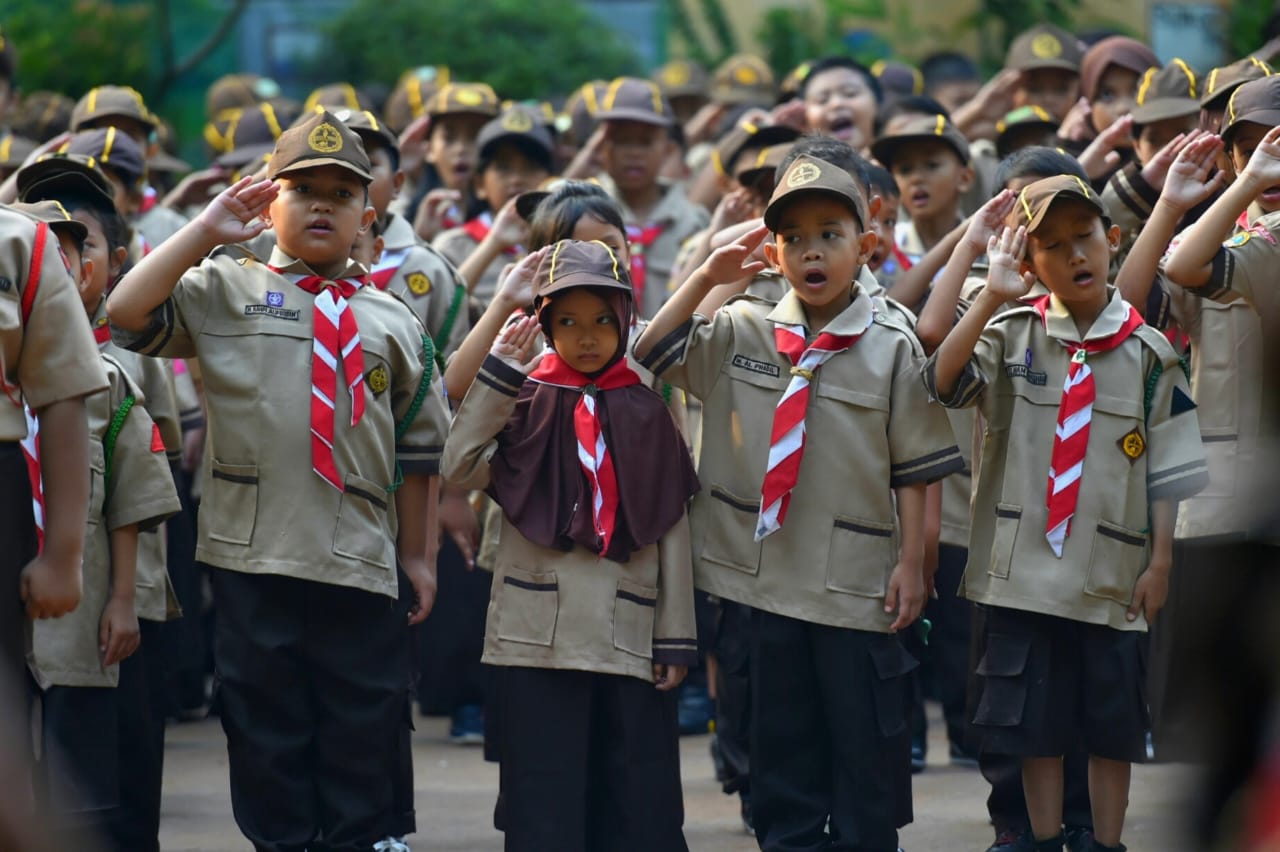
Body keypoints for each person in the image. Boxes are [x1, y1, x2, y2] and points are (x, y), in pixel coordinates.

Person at [105, 109, 452, 851]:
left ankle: (358, 839)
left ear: (370, 211)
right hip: (250, 551)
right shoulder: (224, 288)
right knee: (264, 719)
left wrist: (418, 556)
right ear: (271, 200)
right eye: (303, 191)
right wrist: (204, 231)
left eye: (341, 192)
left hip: (358, 553)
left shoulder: (393, 319)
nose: (322, 205)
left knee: (364, 714)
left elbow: (419, 452)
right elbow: (125, 311)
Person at [635, 155, 963, 851]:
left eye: (830, 233)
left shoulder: (890, 343)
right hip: (758, 582)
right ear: (772, 248)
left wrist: (914, 562)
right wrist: (706, 278)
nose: (811, 250)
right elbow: (654, 350)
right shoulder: (742, 326)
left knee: (863, 756)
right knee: (777, 755)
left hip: (853, 586)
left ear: (866, 244)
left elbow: (914, 468)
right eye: (793, 236)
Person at [925, 174, 1209, 852]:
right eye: (1051, 246)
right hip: (1021, 575)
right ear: (1030, 266)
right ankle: (1046, 839)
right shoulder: (1010, 334)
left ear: (1112, 240)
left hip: (1110, 573)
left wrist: (1161, 561)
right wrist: (991, 293)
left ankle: (1105, 843)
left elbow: (1169, 466)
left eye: (1084, 237)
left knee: (1111, 727)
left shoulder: (1149, 354)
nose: (1074, 255)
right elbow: (943, 381)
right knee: (1034, 726)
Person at [442, 239, 699, 851]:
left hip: (629, 635)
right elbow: (457, 468)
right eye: (568, 322)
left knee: (636, 801)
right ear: (545, 326)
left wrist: (676, 634)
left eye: (603, 321)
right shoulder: (522, 398)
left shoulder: (649, 405)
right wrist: (498, 375)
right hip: (537, 637)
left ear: (626, 320)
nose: (587, 337)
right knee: (543, 800)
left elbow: (672, 528)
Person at [16, 198, 180, 850]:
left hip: (82, 619)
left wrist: (122, 601)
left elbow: (132, 502)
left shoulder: (106, 377)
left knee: (84, 786)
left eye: (71, 250)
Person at [594, 77, 709, 319]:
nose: (634, 153)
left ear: (667, 149)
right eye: (623, 141)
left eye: (645, 142)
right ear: (602, 146)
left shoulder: (694, 222)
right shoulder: (584, 215)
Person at [432, 105, 552, 308]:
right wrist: (493, 244)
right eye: (503, 168)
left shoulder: (563, 239)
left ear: (548, 179)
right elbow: (438, 311)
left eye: (530, 167)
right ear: (479, 184)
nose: (517, 179)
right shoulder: (452, 245)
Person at [871, 113, 974, 270]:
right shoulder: (882, 246)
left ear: (964, 178)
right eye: (905, 169)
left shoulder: (988, 247)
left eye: (932, 165)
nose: (916, 178)